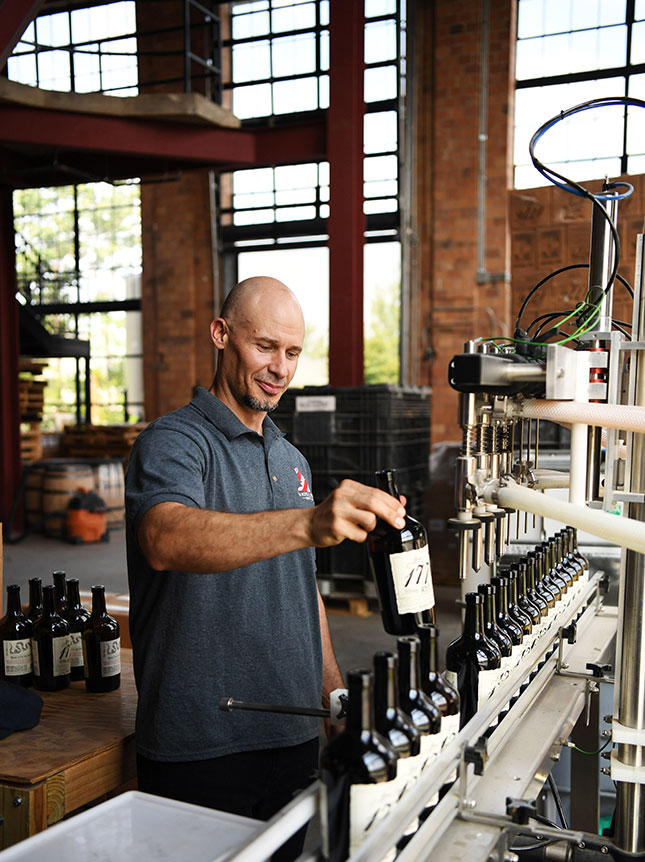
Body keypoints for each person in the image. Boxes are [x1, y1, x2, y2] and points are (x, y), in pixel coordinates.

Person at [125, 276, 407, 860]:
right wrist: (308, 522)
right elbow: (164, 537)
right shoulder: (174, 441)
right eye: (265, 347)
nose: (280, 367)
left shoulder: (291, 458)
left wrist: (332, 695)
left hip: (293, 735)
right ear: (221, 335)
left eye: (293, 352)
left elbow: (301, 588)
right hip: (202, 746)